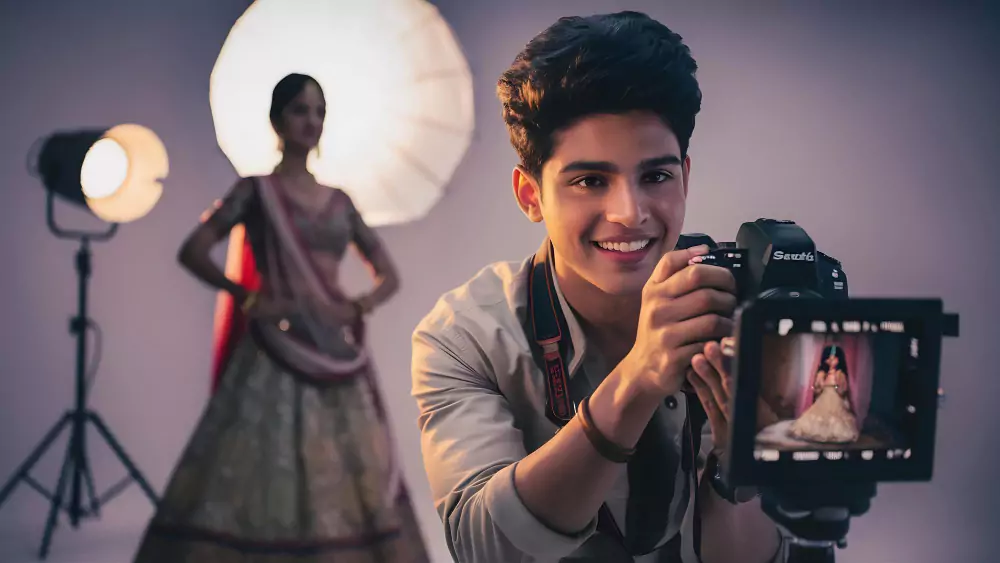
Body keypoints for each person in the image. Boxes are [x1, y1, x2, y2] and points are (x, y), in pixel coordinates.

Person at [411, 11, 784, 563]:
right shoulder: (465, 336)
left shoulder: (743, 310)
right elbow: (485, 547)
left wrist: (740, 470)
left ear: (685, 176)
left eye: (655, 176)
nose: (629, 213)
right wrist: (640, 377)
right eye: (590, 180)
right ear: (530, 194)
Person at [132, 73, 430, 563]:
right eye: (299, 110)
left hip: (333, 350)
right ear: (277, 120)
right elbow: (194, 250)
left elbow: (388, 277)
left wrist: (355, 307)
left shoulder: (340, 201)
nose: (311, 121)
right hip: (272, 350)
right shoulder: (256, 192)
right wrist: (247, 298)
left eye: (319, 111)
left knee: (343, 466)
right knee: (258, 463)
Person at [789, 345, 859, 443]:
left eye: (834, 358)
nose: (831, 361)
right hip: (824, 396)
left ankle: (833, 433)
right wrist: (820, 382)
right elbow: (817, 388)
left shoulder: (839, 374)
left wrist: (836, 387)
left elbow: (843, 389)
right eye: (828, 359)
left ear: (839, 359)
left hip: (835, 397)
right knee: (818, 414)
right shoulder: (822, 374)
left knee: (835, 416)